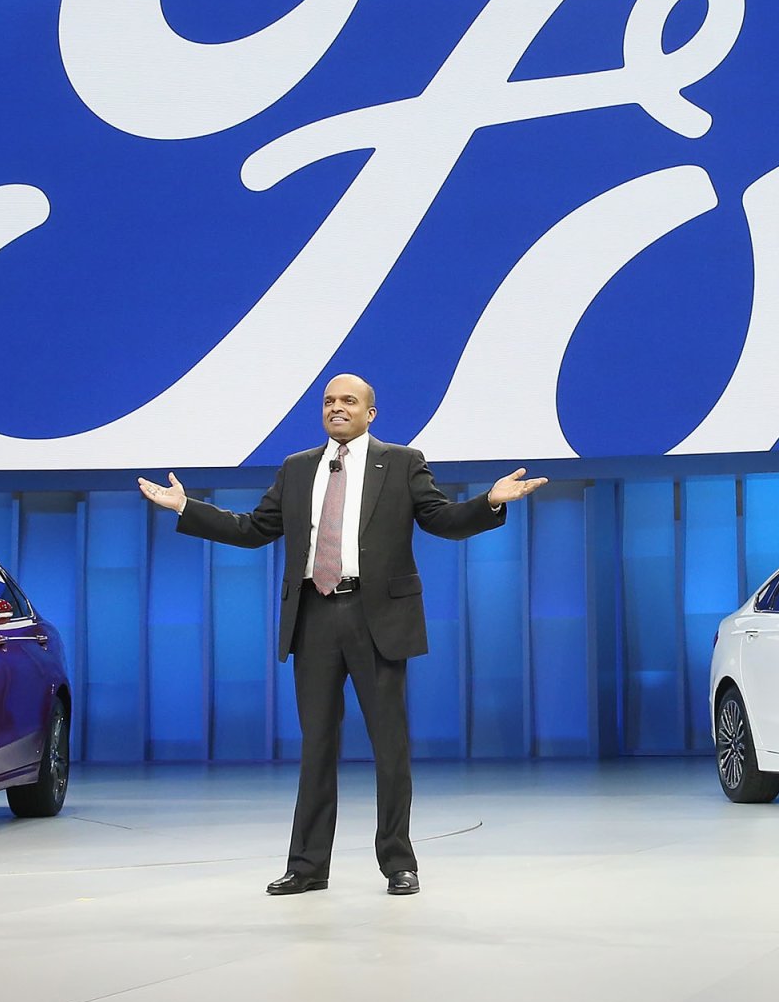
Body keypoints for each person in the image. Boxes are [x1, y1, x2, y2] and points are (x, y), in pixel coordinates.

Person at [138, 374, 546, 896]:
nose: (337, 408)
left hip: (377, 616)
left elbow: (440, 519)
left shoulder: (401, 462)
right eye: (329, 401)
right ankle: (307, 866)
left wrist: (489, 501)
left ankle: (399, 861)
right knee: (317, 746)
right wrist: (185, 508)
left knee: (390, 746)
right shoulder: (297, 468)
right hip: (314, 615)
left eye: (348, 401)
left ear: (370, 413)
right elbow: (253, 530)